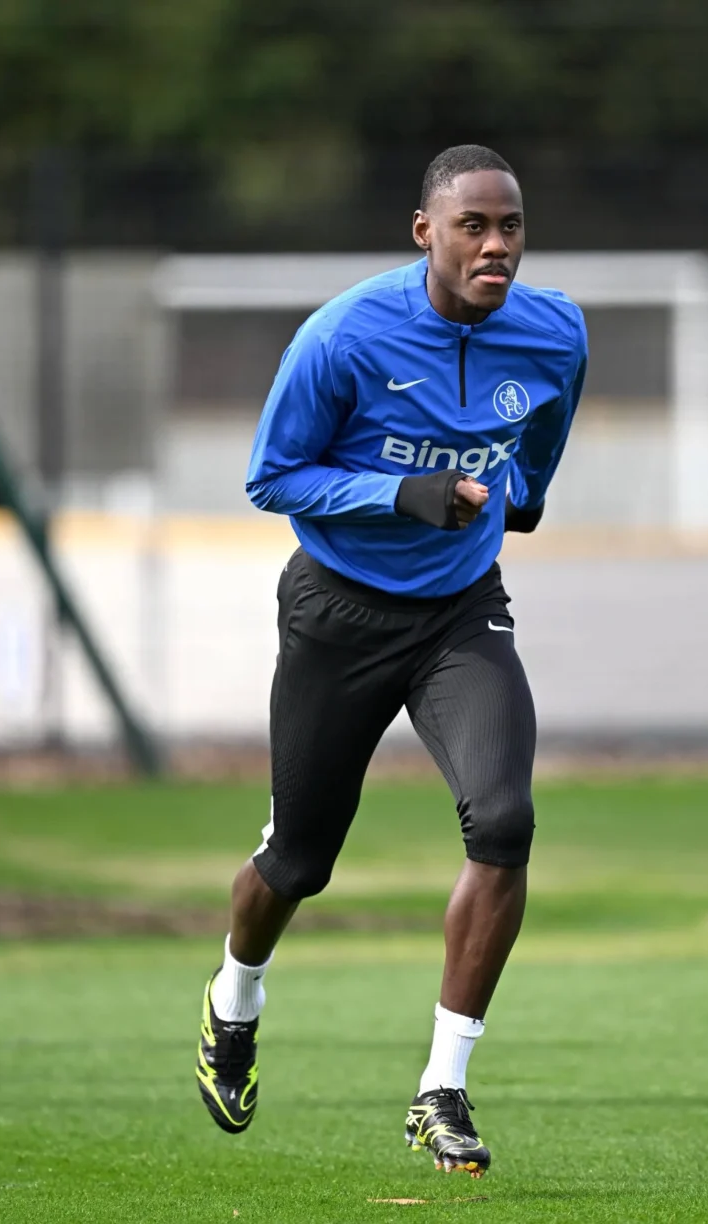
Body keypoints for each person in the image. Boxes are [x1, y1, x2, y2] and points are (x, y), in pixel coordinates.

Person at [195, 144, 587, 1179]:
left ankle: (440, 1090)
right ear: (426, 233)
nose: (495, 245)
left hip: (460, 611)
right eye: (473, 227)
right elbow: (271, 478)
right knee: (299, 863)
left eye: (509, 227)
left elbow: (545, 424)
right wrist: (400, 496)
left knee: (502, 822)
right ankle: (235, 1001)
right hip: (337, 611)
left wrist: (527, 492)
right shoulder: (344, 336)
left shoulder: (553, 330)